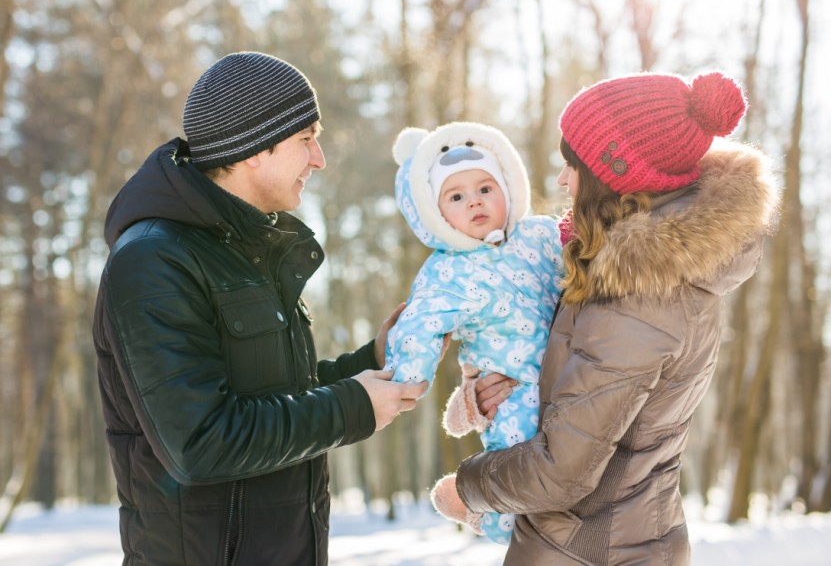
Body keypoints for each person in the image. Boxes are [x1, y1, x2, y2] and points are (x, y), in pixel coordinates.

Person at [92, 51, 427, 566]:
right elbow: (201, 443)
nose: (319, 159)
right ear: (253, 149)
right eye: (306, 139)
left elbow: (272, 395)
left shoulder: (243, 249)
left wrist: (371, 362)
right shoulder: (153, 261)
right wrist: (351, 408)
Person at [454, 71, 781, 564]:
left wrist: (468, 485)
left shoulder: (637, 297)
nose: (563, 180)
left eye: (573, 165)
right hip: (625, 540)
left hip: (586, 550)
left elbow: (559, 473)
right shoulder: (645, 277)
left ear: (615, 173)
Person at [384, 122, 562, 543]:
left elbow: (584, 252)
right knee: (513, 456)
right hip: (509, 388)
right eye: (456, 196)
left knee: (565, 464)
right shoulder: (449, 270)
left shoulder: (540, 235)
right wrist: (408, 376)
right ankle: (496, 521)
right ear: (435, 213)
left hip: (569, 376)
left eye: (486, 188)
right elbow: (420, 323)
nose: (475, 202)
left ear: (509, 187)